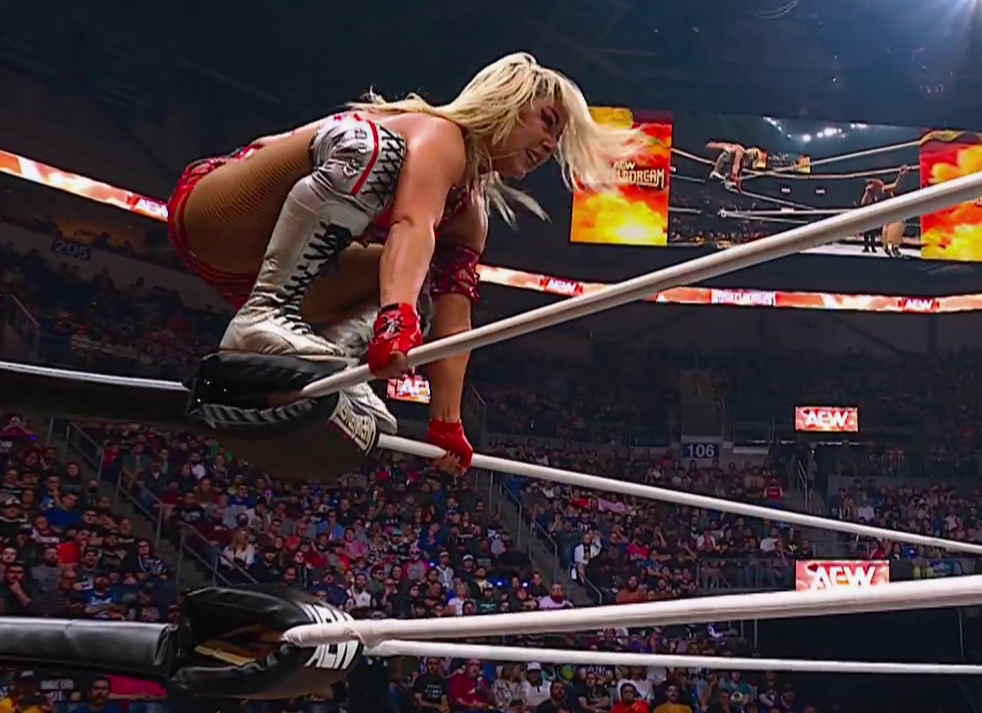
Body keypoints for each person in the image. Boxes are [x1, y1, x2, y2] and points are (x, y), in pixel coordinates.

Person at [166, 52, 644, 470]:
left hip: (259, 269)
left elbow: (455, 321)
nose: (550, 144)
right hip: (222, 214)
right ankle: (267, 313)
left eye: (558, 136)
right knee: (373, 150)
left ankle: (324, 364)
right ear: (509, 102)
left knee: (428, 280)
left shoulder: (471, 213)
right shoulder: (440, 134)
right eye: (547, 121)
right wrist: (396, 318)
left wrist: (447, 421)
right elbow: (412, 223)